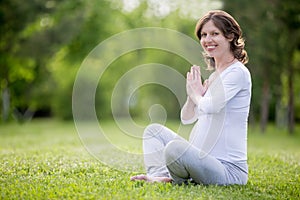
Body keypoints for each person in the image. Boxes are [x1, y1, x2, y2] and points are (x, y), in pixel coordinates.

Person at [130, 10, 252, 185]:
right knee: (153, 131)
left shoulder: (237, 73)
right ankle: (160, 175)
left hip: (227, 170)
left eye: (214, 34)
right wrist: (192, 96)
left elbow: (210, 107)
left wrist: (197, 94)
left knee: (174, 148)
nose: (207, 40)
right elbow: (187, 118)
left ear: (230, 36)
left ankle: (173, 178)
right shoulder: (215, 76)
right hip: (202, 160)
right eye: (203, 35)